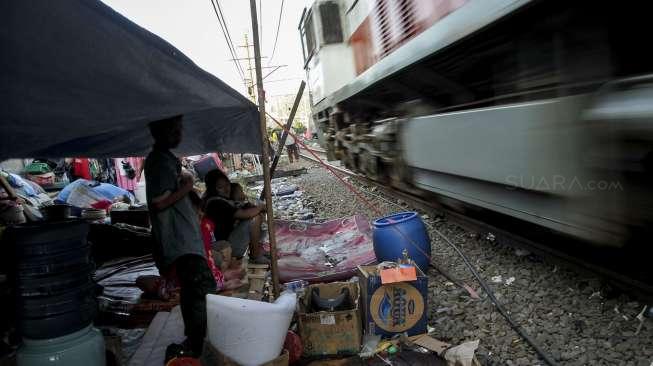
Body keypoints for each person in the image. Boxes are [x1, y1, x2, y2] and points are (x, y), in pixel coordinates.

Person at [144, 115, 215, 360]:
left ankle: (194, 344)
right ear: (159, 132)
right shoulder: (159, 163)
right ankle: (194, 348)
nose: (179, 134)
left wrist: (185, 181)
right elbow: (160, 202)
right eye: (174, 129)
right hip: (179, 241)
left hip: (182, 240)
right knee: (201, 289)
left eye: (179, 128)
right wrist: (188, 185)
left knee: (193, 291)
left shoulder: (164, 160)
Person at [202, 169, 270, 265]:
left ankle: (257, 250)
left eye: (227, 185)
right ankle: (255, 256)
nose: (226, 189)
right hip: (223, 248)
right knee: (254, 219)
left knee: (256, 216)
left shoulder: (221, 199)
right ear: (213, 189)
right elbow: (245, 214)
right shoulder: (215, 203)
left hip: (227, 242)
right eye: (220, 187)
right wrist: (260, 207)